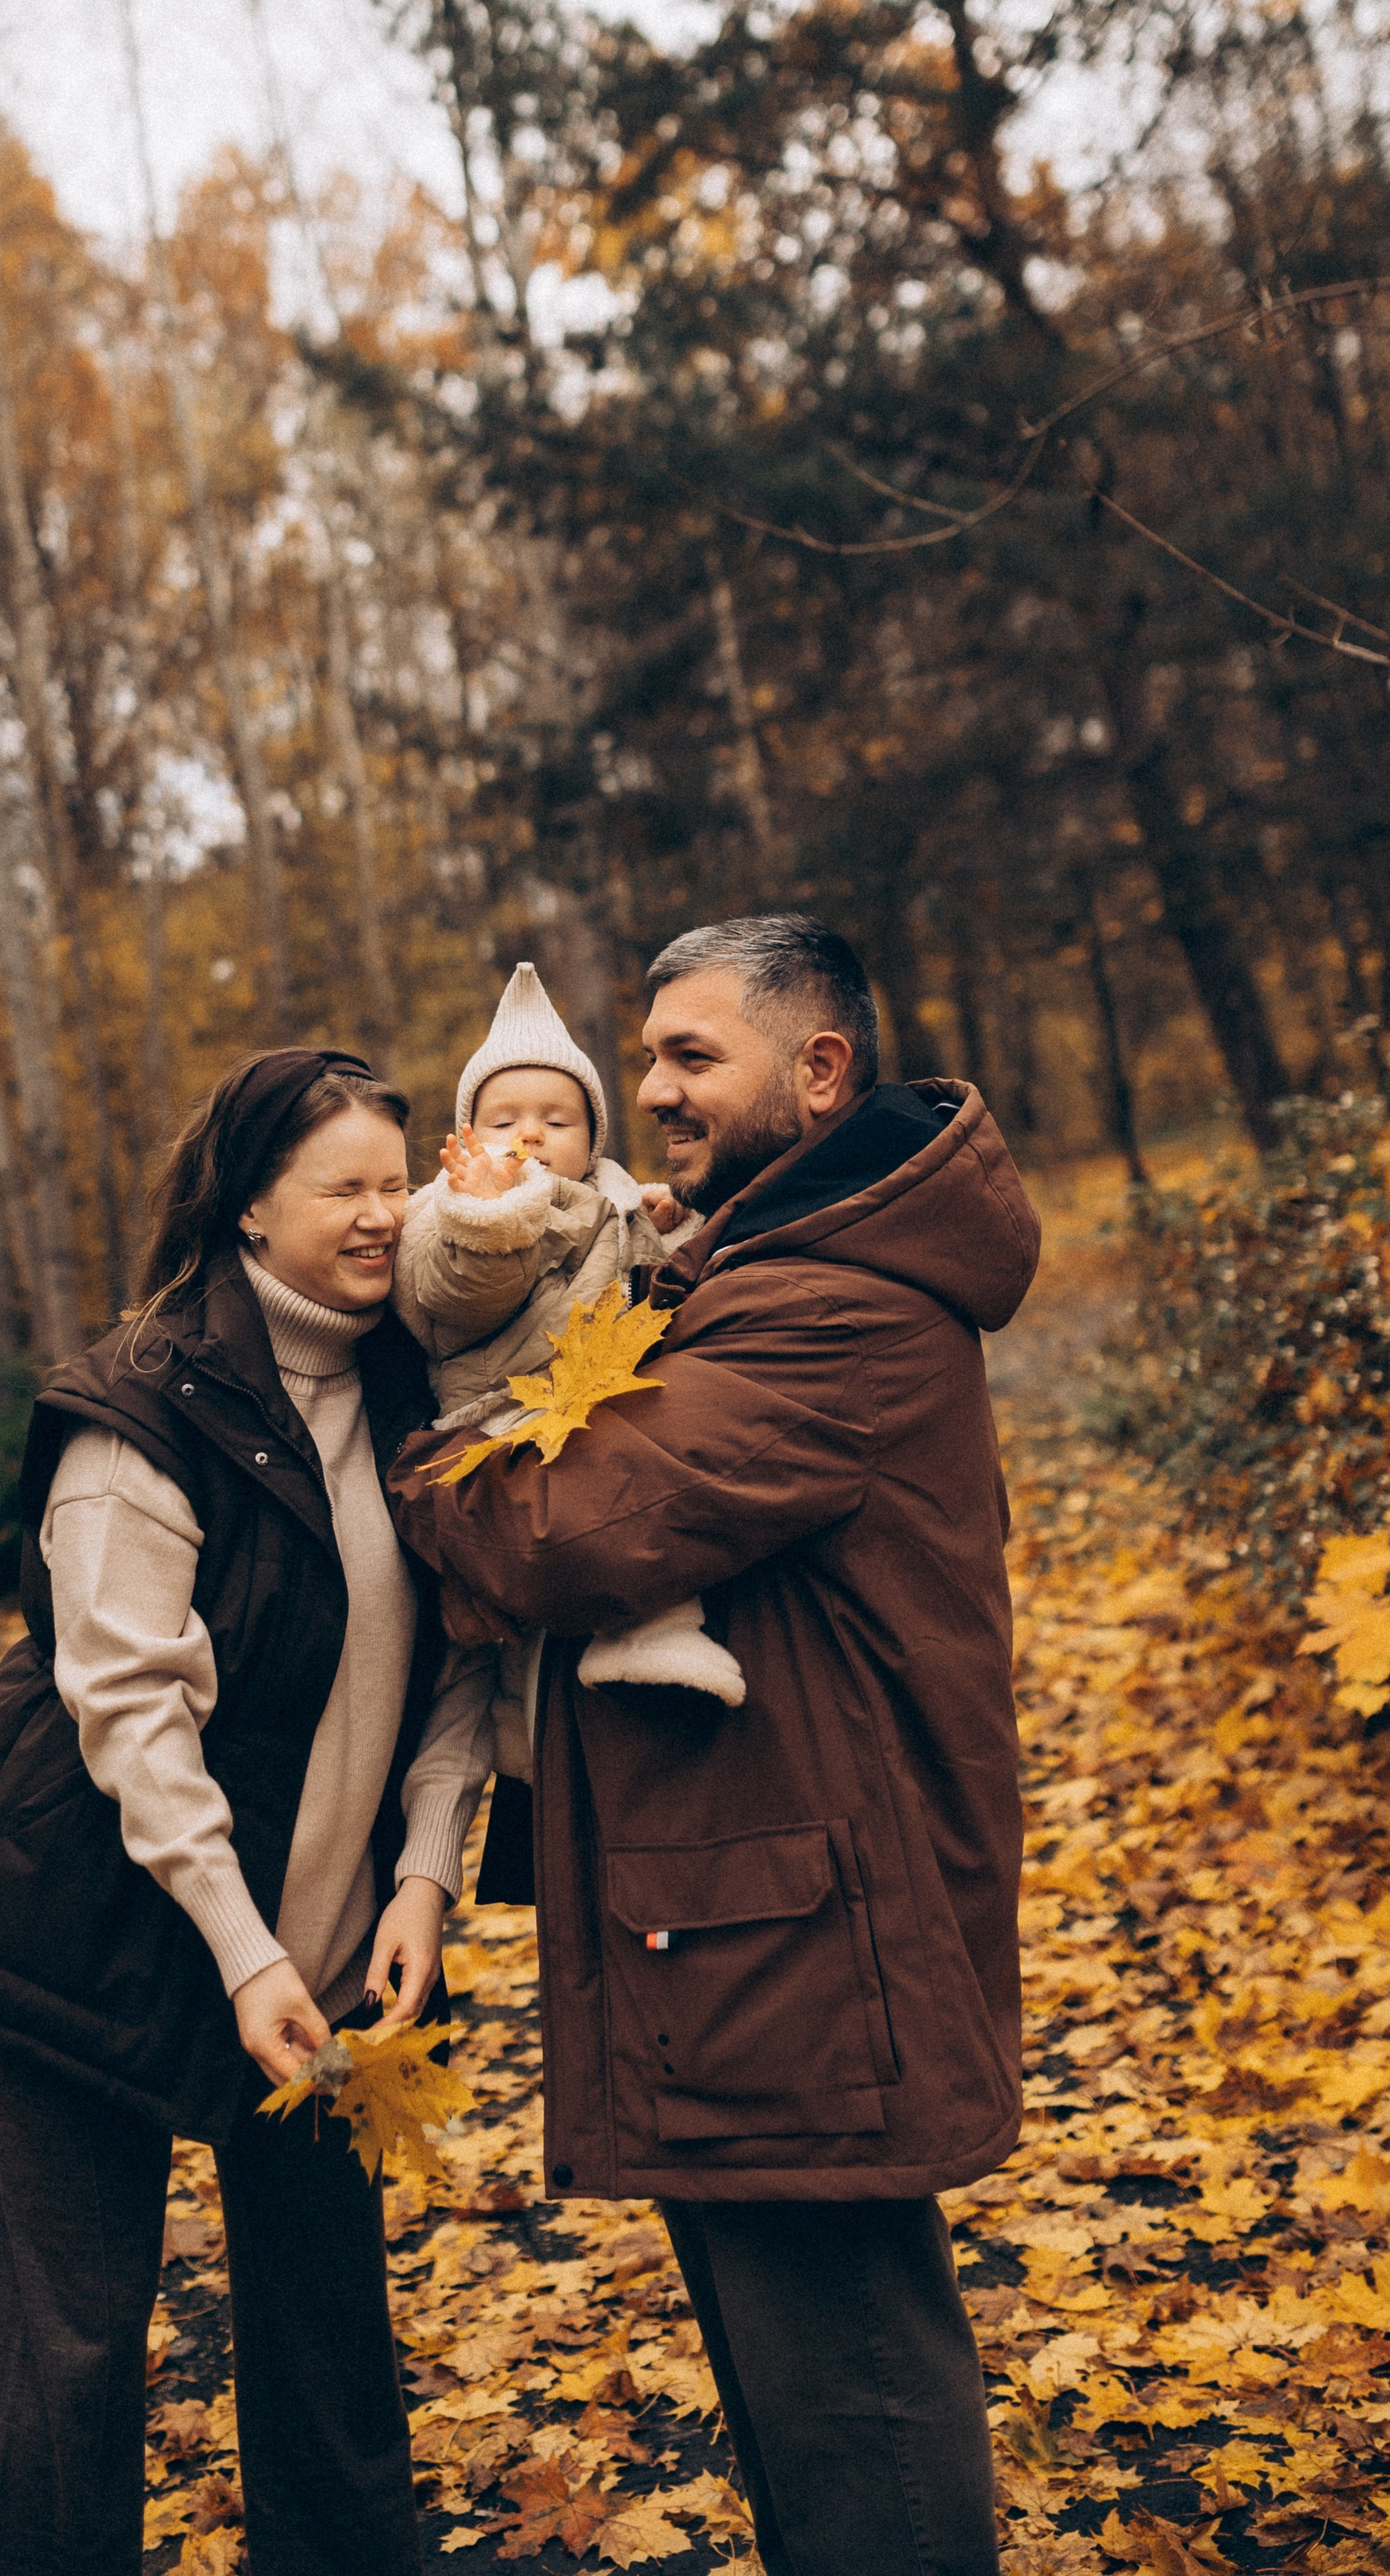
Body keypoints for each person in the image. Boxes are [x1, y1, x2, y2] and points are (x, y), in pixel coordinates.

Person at [389, 915, 1041, 2576]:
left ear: (816, 1071)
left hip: (805, 1920)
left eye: (694, 1055)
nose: (650, 1088)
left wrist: (431, 1469)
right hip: (759, 1908)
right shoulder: (745, 1266)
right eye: (648, 1052)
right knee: (793, 2385)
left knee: (850, 2391)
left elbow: (562, 1529)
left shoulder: (830, 1305)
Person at [0, 1048, 494, 2576]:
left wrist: (423, 1873)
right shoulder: (138, 1412)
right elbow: (131, 1713)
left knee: (329, 2326)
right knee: (77, 2344)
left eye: (395, 1179)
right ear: (243, 1210)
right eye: (343, 1188)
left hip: (332, 1942)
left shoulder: (420, 1381)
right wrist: (239, 1947)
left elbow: (462, 1650)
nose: (384, 1214)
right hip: (99, 1931)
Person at [391, 959, 747, 1728]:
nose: (529, 1134)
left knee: (636, 1488)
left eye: (557, 1121)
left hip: (587, 1403)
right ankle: (521, 1721)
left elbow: (656, 1279)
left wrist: (671, 1218)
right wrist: (490, 1218)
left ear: (593, 1140)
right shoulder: (447, 1213)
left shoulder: (613, 1199)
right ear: (464, 1140)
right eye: (503, 1120)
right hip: (494, 1418)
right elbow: (457, 1290)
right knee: (506, 1613)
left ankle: (643, 1636)